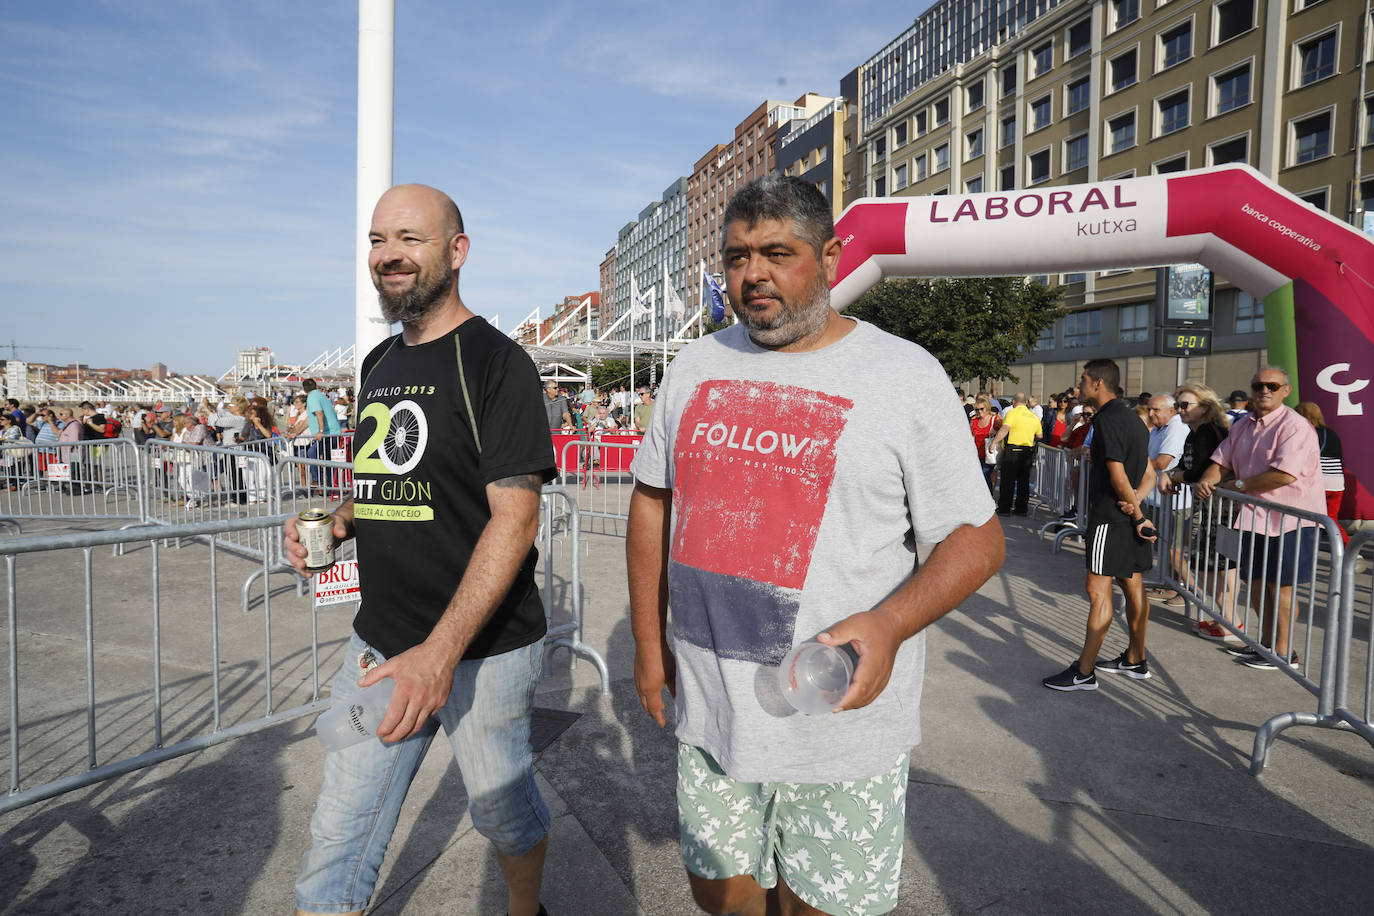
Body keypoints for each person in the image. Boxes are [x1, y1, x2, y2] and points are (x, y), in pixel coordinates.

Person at [628, 176, 1003, 916]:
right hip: (713, 714)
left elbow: (977, 539)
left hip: (841, 720)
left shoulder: (903, 375)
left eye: (777, 253)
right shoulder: (694, 368)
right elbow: (651, 501)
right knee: (720, 899)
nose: (753, 275)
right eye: (737, 258)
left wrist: (891, 625)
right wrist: (648, 644)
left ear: (830, 256)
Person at [283, 184, 554, 916]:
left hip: (487, 651)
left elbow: (515, 519)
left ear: (456, 252)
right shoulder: (377, 365)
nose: (388, 256)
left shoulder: (498, 364)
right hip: (381, 647)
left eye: (409, 238)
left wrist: (442, 651)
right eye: (377, 241)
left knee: (501, 813)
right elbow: (385, 482)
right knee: (338, 833)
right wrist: (339, 520)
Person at [1197, 367, 1325, 670]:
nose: (1263, 390)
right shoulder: (1243, 426)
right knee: (1255, 583)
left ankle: (1283, 652)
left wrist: (1236, 486)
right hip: (1256, 519)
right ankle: (1264, 645)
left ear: (1285, 391)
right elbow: (1220, 461)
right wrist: (1207, 479)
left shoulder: (1295, 426)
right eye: (1258, 385)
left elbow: (1283, 475)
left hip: (1291, 520)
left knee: (1279, 587)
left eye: (1271, 385)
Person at [1043, 358, 1157, 691]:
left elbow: (1119, 475)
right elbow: (1148, 475)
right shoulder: (1135, 420)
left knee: (1098, 591)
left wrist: (1135, 514)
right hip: (1126, 516)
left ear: (1098, 383)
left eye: (1082, 381)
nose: (1078, 387)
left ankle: (1084, 671)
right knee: (1132, 585)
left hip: (1111, 519)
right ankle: (1135, 659)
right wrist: (1136, 503)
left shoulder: (1106, 421)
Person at [1159, 383, 1238, 641]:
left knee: (1214, 566)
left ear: (1204, 407)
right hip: (1208, 506)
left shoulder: (1207, 431)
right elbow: (1185, 465)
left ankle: (1229, 621)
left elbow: (1199, 471)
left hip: (1220, 509)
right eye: (1177, 405)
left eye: (1185, 405)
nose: (1180, 410)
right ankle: (1224, 618)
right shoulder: (1195, 432)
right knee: (1212, 565)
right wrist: (1174, 474)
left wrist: (1175, 475)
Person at [1295, 401, 1348, 546]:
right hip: (1337, 483)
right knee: (1331, 519)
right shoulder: (1331, 433)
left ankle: (1306, 549)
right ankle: (1349, 550)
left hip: (1317, 483)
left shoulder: (1305, 432)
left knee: (1305, 519)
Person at [988, 392, 1041, 516]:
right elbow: (1039, 435)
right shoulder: (1033, 416)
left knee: (1008, 481)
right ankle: (1021, 509)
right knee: (1023, 482)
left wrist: (994, 442)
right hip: (1027, 451)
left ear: (1013, 402)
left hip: (1012, 450)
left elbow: (1005, 428)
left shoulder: (1012, 413)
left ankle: (1005, 509)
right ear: (1026, 402)